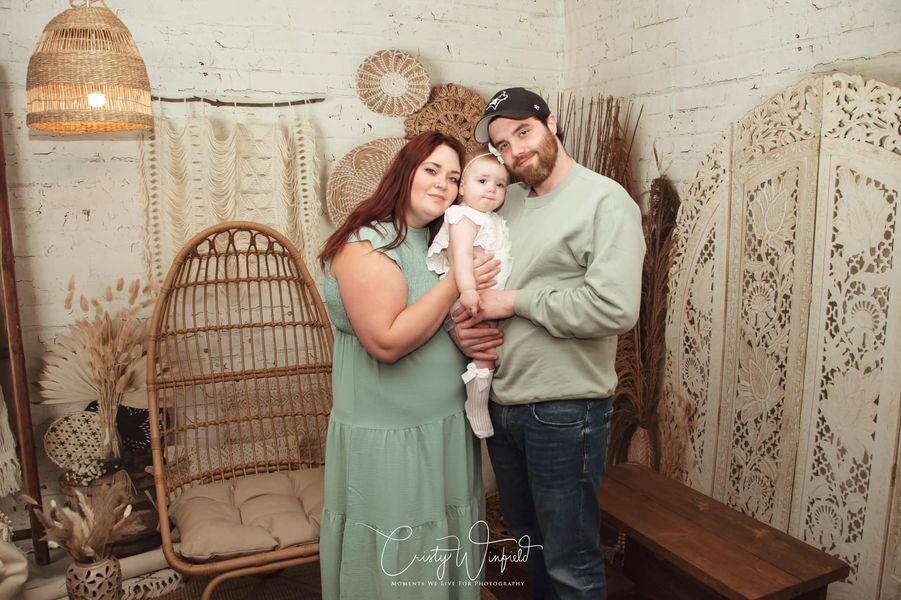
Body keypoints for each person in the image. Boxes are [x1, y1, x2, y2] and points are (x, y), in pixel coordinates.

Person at [455, 87, 646, 599]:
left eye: (524, 132)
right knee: (530, 550)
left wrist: (515, 301)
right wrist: (466, 324)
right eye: (501, 145)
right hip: (503, 403)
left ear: (551, 124)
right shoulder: (506, 201)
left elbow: (614, 308)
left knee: (570, 563)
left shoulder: (606, 202)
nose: (514, 151)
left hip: (565, 409)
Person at [318, 131, 498, 599]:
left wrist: (464, 331)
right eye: (431, 170)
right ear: (405, 172)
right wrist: (459, 283)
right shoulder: (366, 244)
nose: (442, 184)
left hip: (443, 427)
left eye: (454, 177)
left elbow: (432, 321)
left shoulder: (434, 242)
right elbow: (387, 341)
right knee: (396, 556)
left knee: (443, 547)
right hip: (390, 436)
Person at [426, 150, 511, 439]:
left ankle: (482, 398)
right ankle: (476, 406)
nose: (492, 188)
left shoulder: (493, 218)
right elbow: (460, 256)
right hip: (469, 295)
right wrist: (468, 291)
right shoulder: (462, 216)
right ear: (462, 187)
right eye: (483, 181)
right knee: (484, 353)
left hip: (487, 295)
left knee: (490, 351)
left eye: (500, 184)